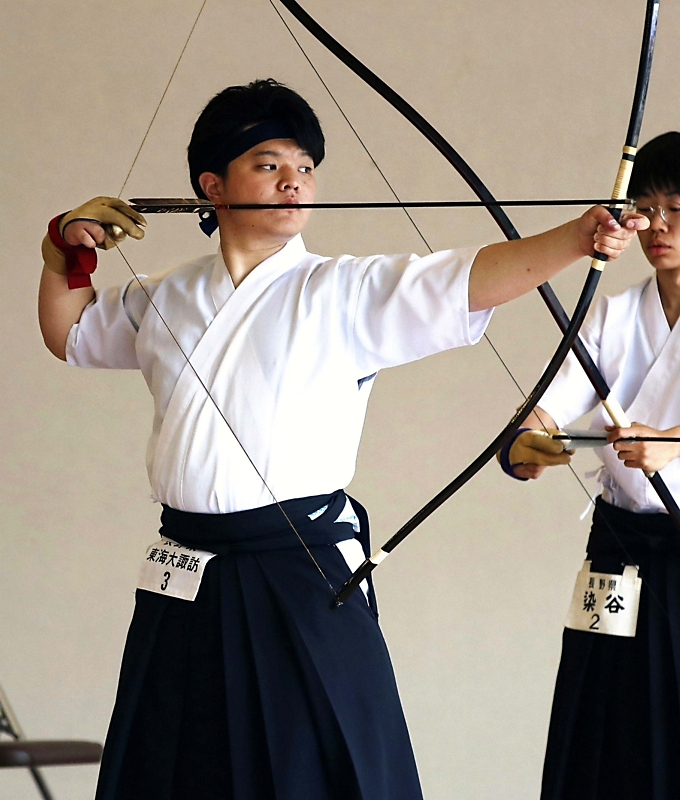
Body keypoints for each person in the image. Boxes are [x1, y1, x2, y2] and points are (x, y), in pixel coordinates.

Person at [38, 79, 645, 800]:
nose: (294, 180)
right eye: (269, 164)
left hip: (296, 566)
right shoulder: (168, 293)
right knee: (178, 765)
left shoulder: (343, 291)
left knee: (313, 768)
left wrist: (577, 239)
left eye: (306, 166)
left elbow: (466, 280)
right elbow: (71, 332)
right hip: (187, 566)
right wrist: (63, 250)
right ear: (212, 185)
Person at [498, 131, 680, 799]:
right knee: (600, 728)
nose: (658, 225)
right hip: (617, 548)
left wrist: (670, 441)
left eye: (678, 209)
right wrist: (529, 441)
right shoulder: (619, 313)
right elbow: (553, 405)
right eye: (646, 208)